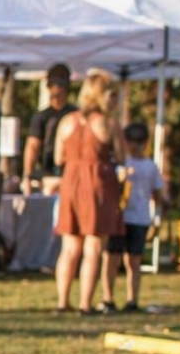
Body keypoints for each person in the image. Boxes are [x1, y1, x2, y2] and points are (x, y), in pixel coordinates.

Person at [53, 69, 124, 315]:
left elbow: (58, 157)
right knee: (93, 245)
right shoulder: (107, 123)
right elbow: (122, 156)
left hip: (71, 181)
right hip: (97, 182)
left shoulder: (67, 121)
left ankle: (63, 301)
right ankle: (85, 303)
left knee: (69, 246)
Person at [102, 122, 166, 312]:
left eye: (139, 141)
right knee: (112, 259)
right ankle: (108, 298)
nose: (134, 145)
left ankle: (132, 300)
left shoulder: (150, 166)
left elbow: (158, 194)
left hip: (140, 218)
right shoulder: (120, 164)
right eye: (130, 141)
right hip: (119, 218)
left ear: (145, 143)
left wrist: (157, 217)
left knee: (134, 261)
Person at [22, 63, 73, 195]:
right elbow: (32, 146)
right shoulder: (41, 116)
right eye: (53, 83)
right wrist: (27, 177)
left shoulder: (75, 114)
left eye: (60, 82)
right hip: (47, 176)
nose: (56, 87)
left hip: (72, 174)